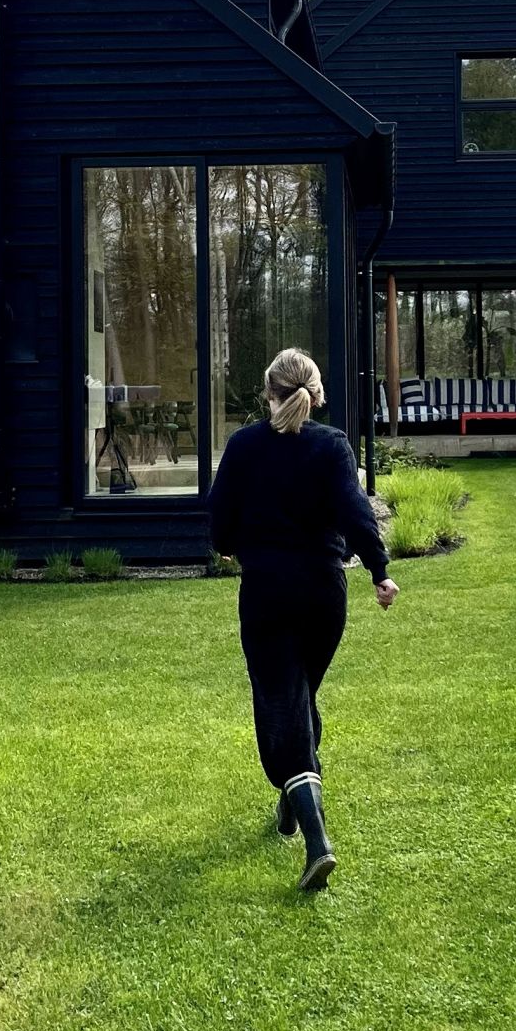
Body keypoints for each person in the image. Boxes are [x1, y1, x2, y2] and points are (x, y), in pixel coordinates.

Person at [206, 346, 398, 891]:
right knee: (298, 700)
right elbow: (356, 512)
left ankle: (317, 843)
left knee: (279, 705)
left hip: (268, 592)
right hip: (323, 594)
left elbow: (220, 517)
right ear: (316, 393)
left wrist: (227, 544)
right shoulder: (332, 445)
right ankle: (290, 805)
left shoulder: (244, 445)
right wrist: (379, 572)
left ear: (268, 393)